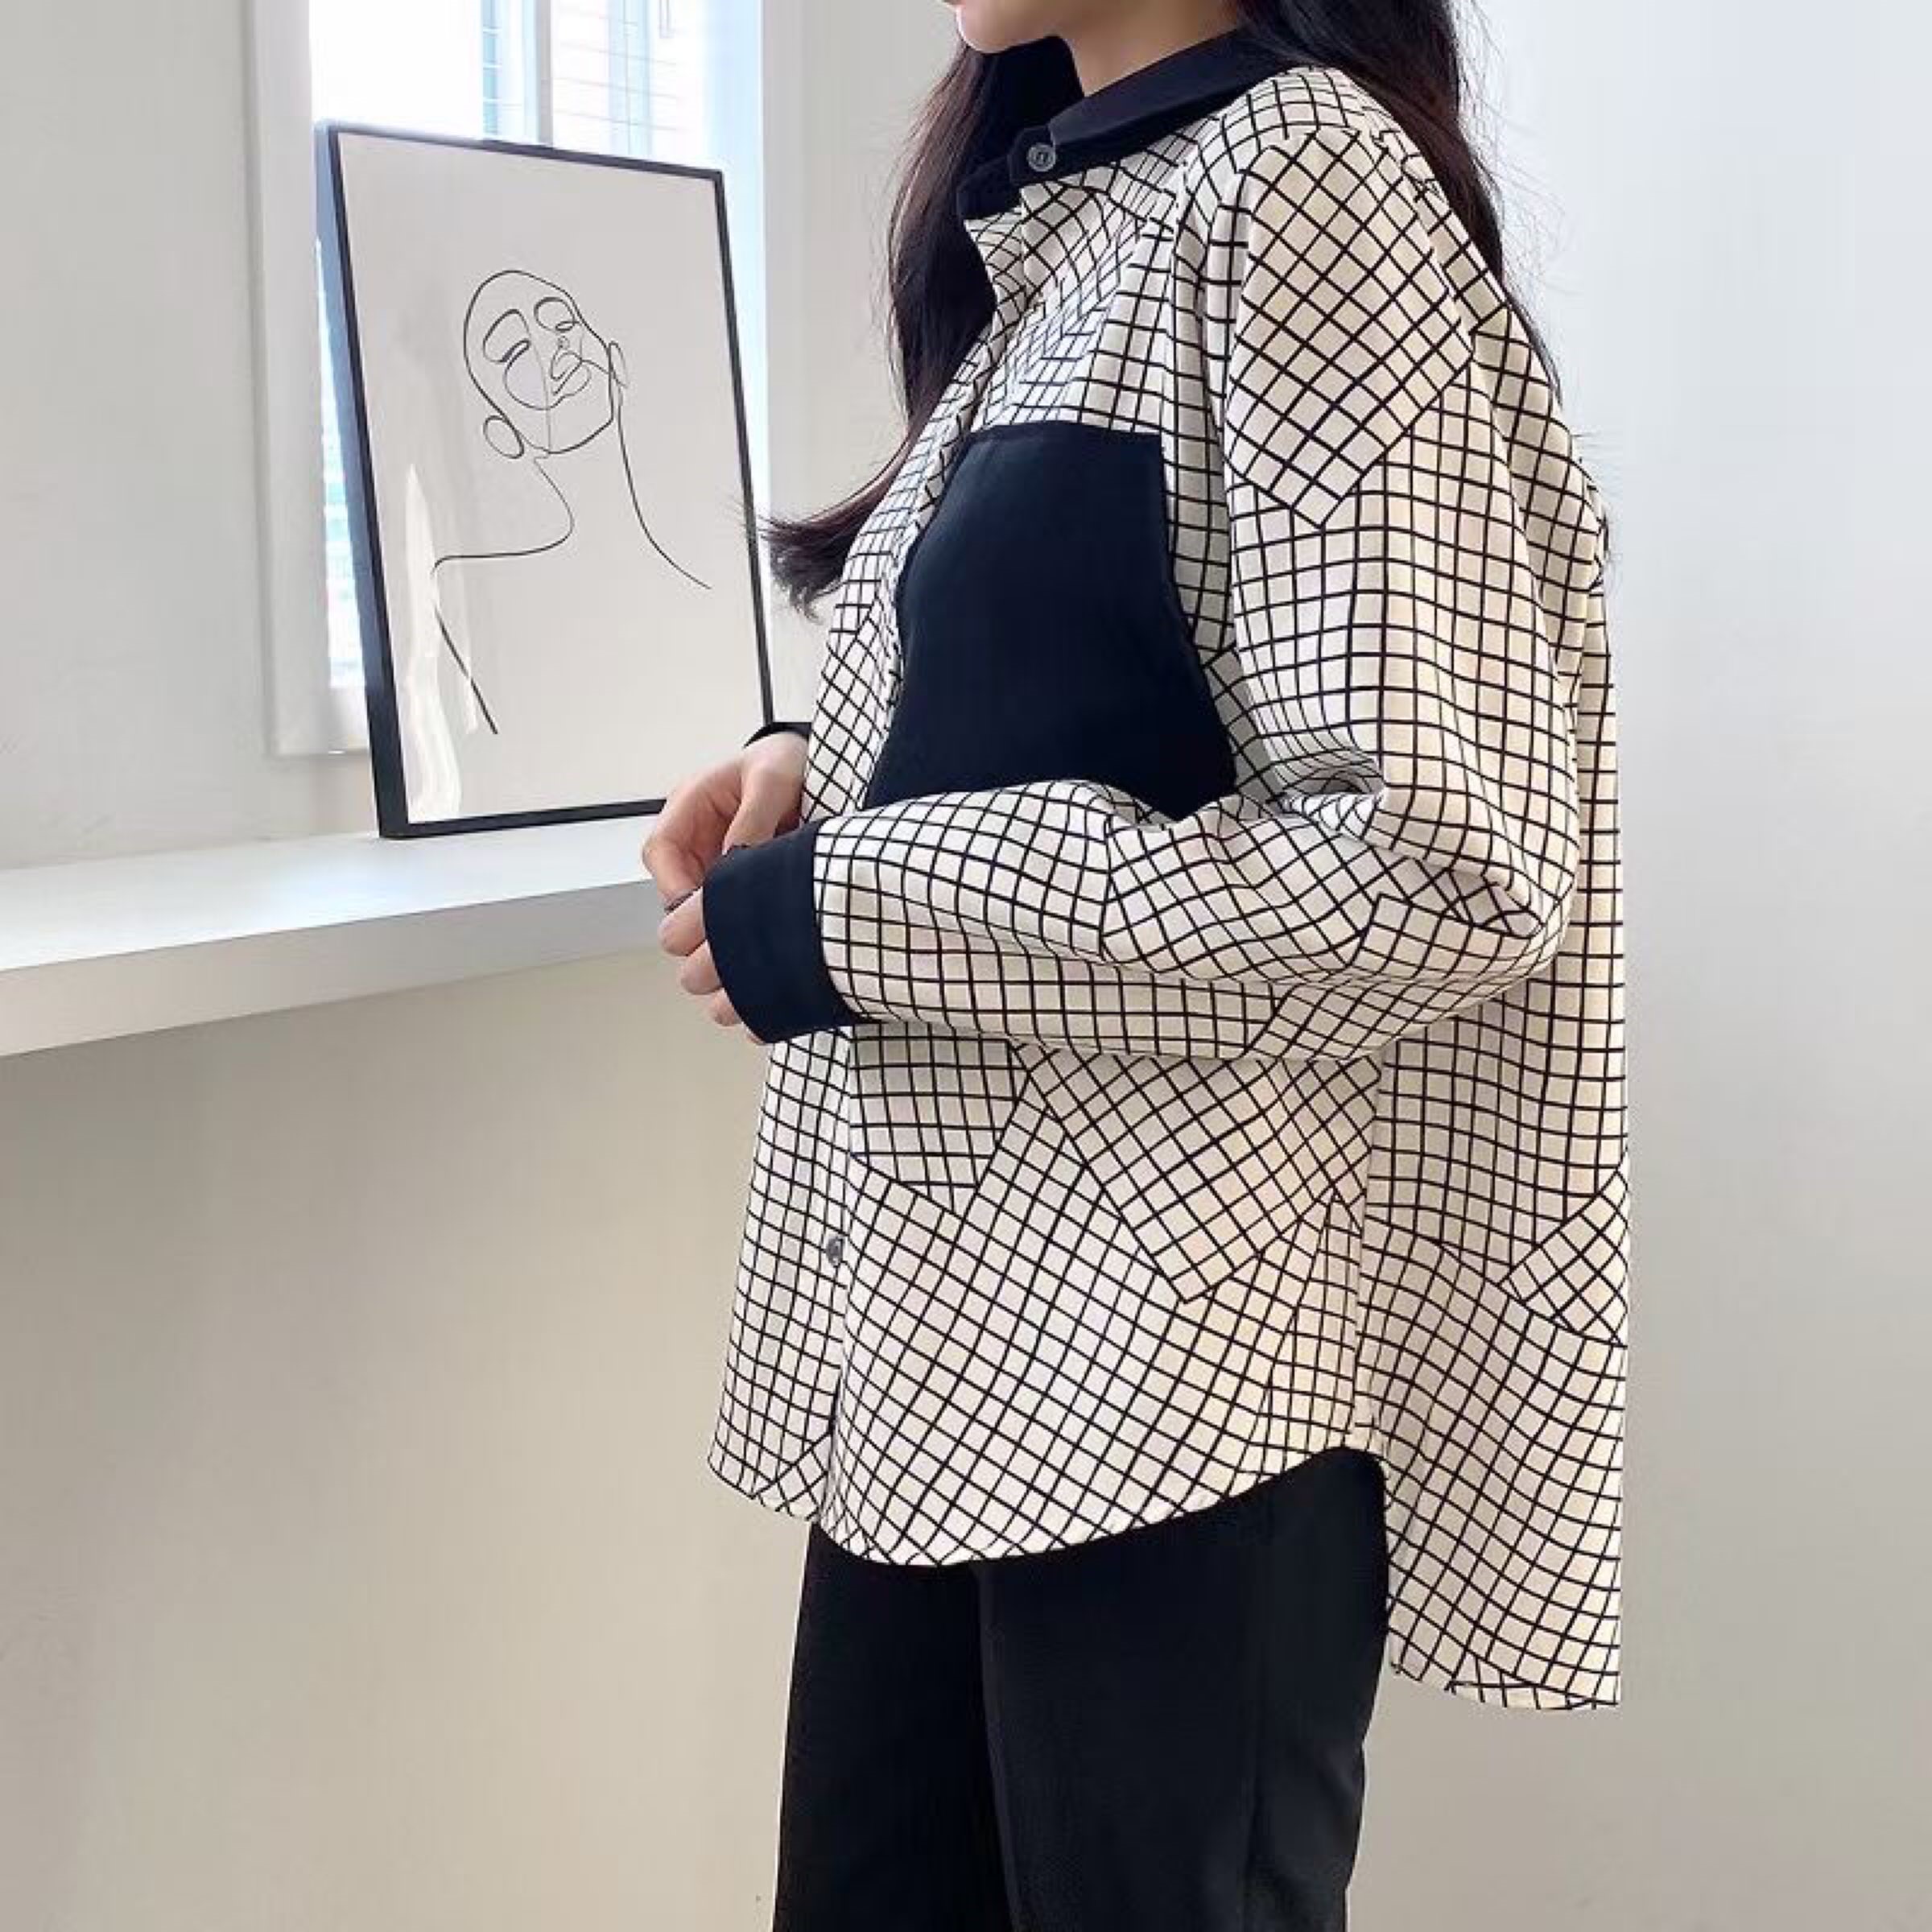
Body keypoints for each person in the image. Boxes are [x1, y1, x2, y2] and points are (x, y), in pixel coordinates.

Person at [647, 2, 1627, 1926]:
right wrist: (812, 769)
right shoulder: (1086, 211)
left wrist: (857, 905)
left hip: (1178, 1391)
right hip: (941, 1361)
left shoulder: (1304, 183)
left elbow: (1441, 862)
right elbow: (1110, 692)